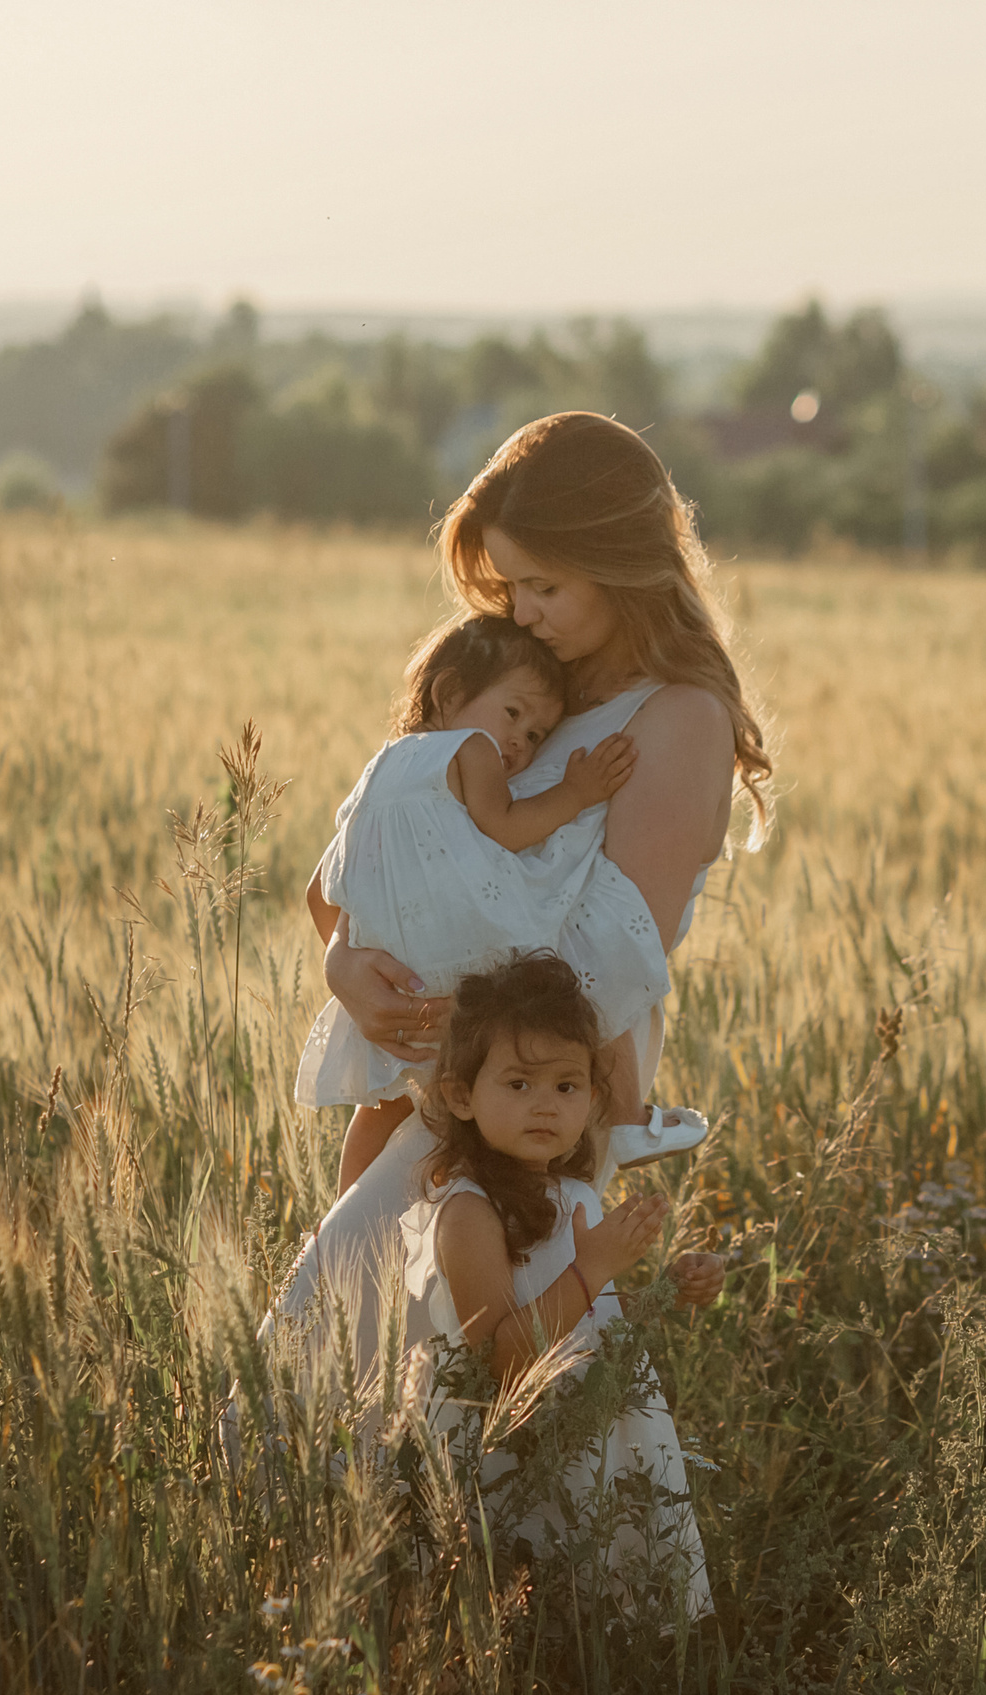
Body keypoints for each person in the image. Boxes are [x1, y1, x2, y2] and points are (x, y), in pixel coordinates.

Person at [269, 410, 773, 1384]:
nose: (522, 610)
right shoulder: (520, 688)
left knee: (458, 1381)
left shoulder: (676, 718)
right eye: (509, 585)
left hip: (521, 1107)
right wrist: (345, 967)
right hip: (442, 1077)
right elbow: (383, 848)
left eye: (545, 585)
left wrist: (452, 1036)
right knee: (349, 1363)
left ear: (621, 564)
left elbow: (616, 955)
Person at [395, 952, 719, 1618]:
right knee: (531, 1605)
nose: (545, 1104)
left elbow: (588, 1316)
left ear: (595, 1100)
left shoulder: (572, 1192)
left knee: (606, 1603)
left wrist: (663, 1291)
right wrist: (594, 1263)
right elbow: (505, 1360)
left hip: (587, 1437)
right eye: (518, 1083)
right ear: (461, 1094)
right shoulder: (469, 1211)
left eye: (567, 1087)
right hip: (516, 1457)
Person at [295, 613, 646, 1195]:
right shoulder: (470, 749)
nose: (520, 742)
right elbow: (507, 827)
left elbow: (321, 892)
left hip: (403, 984)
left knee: (386, 1107)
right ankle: (624, 1122)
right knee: (583, 973)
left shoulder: (378, 768)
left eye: (537, 736)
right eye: (514, 714)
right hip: (468, 966)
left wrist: (364, 953)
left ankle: (343, 1218)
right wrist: (577, 792)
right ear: (449, 693)